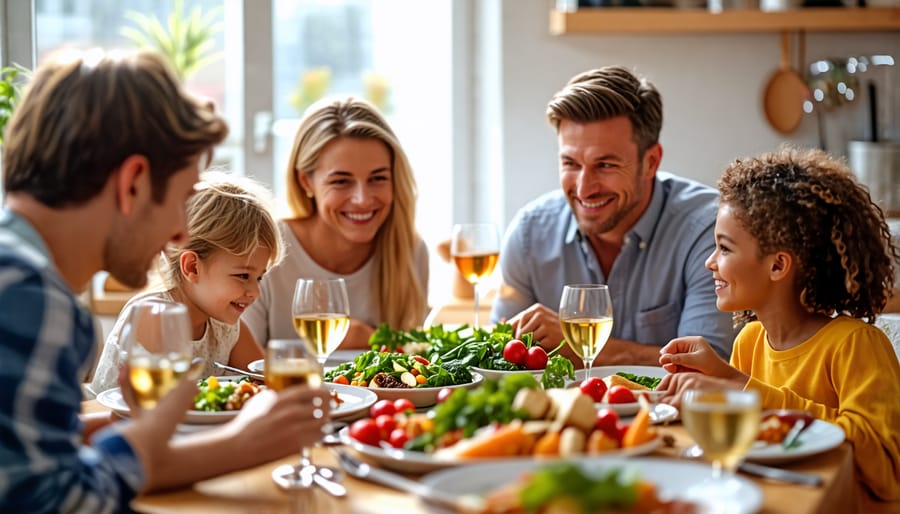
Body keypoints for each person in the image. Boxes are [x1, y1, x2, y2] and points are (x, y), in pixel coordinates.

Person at [0, 48, 330, 513]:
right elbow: (67, 503)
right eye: (180, 200)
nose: (179, 233)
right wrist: (236, 445)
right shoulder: (30, 301)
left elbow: (40, 460)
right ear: (134, 182)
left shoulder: (18, 276)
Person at [657, 147, 900, 504]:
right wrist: (715, 385)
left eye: (724, 249)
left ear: (777, 266)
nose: (710, 263)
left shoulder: (856, 344)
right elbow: (744, 446)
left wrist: (742, 391)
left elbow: (887, 469)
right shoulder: (750, 341)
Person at [491, 66, 735, 366]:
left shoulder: (708, 231)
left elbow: (710, 369)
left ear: (651, 162)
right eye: (570, 163)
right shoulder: (529, 235)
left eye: (605, 165)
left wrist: (578, 345)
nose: (583, 188)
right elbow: (500, 360)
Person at [242, 96, 429, 348]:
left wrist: (367, 338)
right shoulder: (264, 249)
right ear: (306, 181)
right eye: (341, 181)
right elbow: (239, 370)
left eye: (378, 178)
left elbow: (412, 368)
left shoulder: (410, 253)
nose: (362, 200)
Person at [89, 171, 281, 394]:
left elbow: (270, 382)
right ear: (191, 267)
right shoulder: (155, 315)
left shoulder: (224, 327)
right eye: (243, 276)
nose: (255, 292)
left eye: (259, 278)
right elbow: (165, 407)